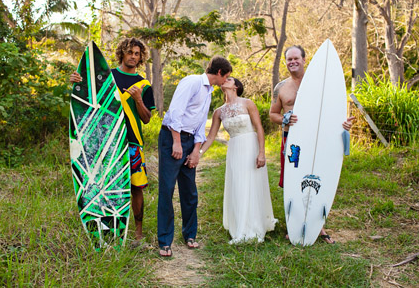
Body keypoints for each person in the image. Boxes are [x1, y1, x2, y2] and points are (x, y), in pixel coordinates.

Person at [70, 38, 155, 245]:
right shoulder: (107, 78)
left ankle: (137, 232)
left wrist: (138, 100)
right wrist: (77, 83)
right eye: (129, 52)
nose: (133, 56)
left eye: (137, 53)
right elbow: (88, 101)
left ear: (141, 57)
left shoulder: (144, 85)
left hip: (133, 141)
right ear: (122, 54)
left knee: (136, 187)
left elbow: (146, 118)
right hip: (106, 142)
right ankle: (102, 229)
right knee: (102, 184)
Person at [269, 45, 354, 244]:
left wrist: (344, 124)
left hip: (318, 142)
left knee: (318, 179)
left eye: (296, 58)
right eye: (289, 59)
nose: (292, 62)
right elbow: (273, 114)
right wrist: (284, 119)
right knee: (293, 180)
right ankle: (294, 224)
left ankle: (319, 226)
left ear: (304, 59)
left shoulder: (322, 83)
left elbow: (335, 112)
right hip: (293, 143)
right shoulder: (281, 87)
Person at [157, 56, 232, 257]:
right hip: (172, 138)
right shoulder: (192, 82)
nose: (226, 80)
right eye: (227, 76)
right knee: (167, 189)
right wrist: (176, 142)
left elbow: (200, 123)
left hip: (191, 140)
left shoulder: (209, 91)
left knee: (189, 192)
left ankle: (190, 234)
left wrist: (196, 151)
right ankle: (164, 241)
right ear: (219, 73)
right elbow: (175, 112)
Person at [199, 77, 277, 244]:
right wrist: (198, 153)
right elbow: (211, 136)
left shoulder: (247, 103)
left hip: (250, 146)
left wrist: (262, 153)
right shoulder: (219, 112)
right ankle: (240, 225)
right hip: (234, 148)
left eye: (229, 79)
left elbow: (259, 127)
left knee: (252, 184)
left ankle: (254, 225)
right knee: (238, 185)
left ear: (236, 86)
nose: (224, 80)